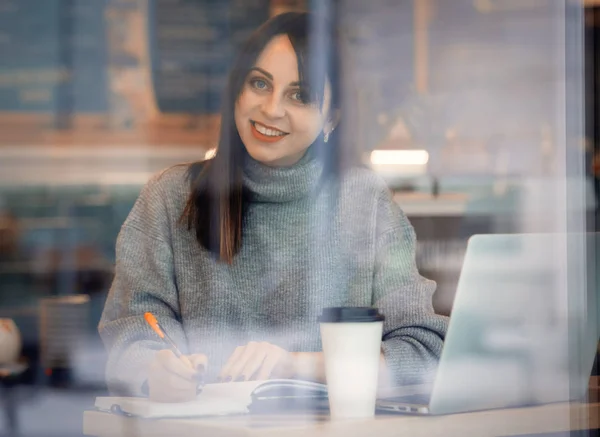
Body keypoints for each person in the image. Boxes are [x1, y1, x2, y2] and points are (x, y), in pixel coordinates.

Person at [99, 11, 448, 402]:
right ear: (237, 91)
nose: (270, 109)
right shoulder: (169, 198)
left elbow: (424, 353)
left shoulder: (366, 204)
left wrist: (294, 365)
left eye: (299, 95)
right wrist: (153, 369)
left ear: (332, 116)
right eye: (259, 83)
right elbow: (131, 329)